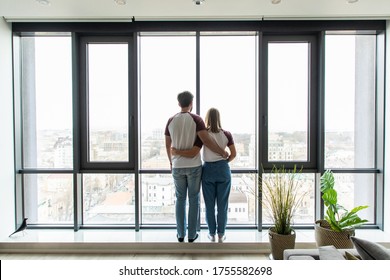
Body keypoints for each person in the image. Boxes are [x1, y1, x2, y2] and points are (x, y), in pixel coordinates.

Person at [165, 91, 228, 243]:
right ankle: (192, 235)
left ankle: (180, 234)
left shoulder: (171, 120)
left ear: (179, 103)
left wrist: (171, 161)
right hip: (194, 165)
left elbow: (168, 145)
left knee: (180, 199)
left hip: (177, 166)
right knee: (193, 200)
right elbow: (206, 141)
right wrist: (222, 152)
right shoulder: (196, 119)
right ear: (191, 103)